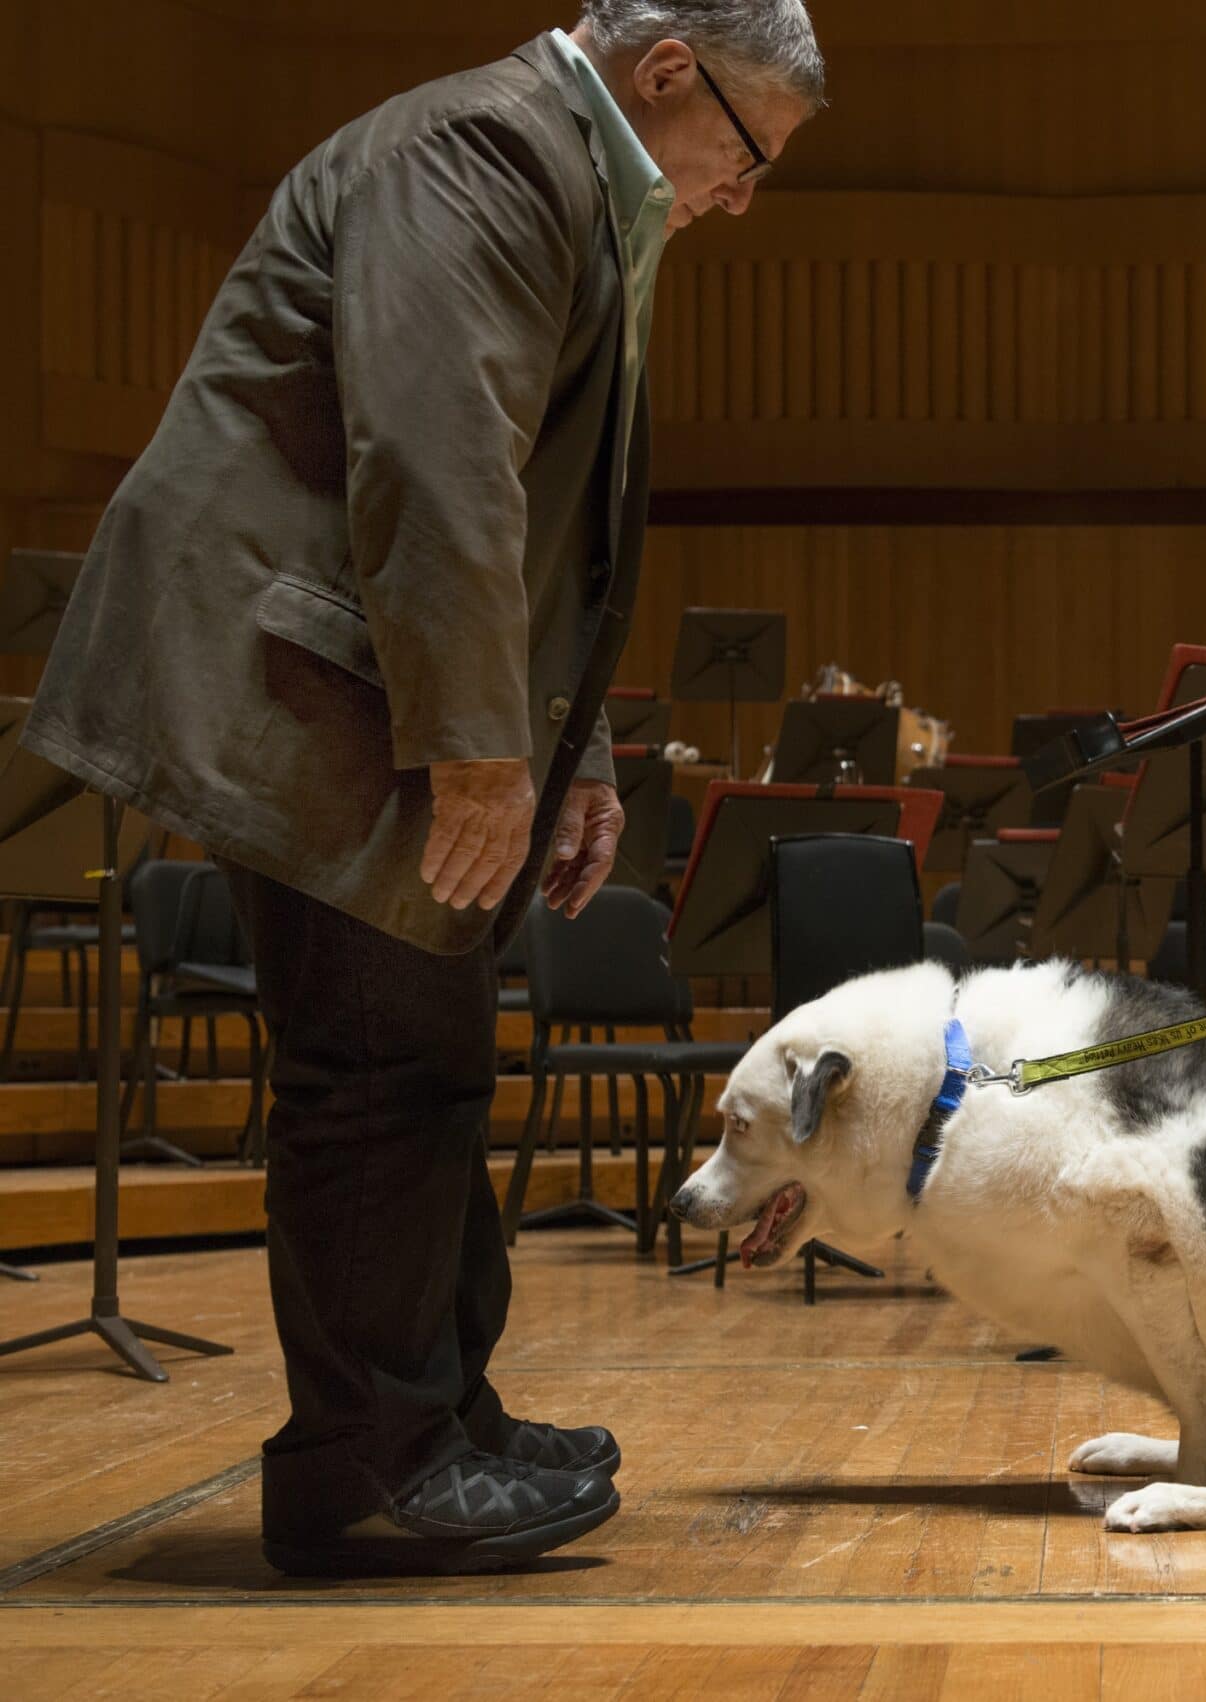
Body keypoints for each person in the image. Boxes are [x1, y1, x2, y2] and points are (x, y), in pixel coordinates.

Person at [20, 2, 822, 1577]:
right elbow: (437, 467)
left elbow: (543, 513)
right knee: (380, 1064)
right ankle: (365, 1466)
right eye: (750, 150)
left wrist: (570, 745)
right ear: (670, 74)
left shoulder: (565, 174)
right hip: (299, 678)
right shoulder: (477, 154)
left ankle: (441, 1414)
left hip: (368, 679)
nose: (743, 193)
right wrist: (478, 748)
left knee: (428, 1051)